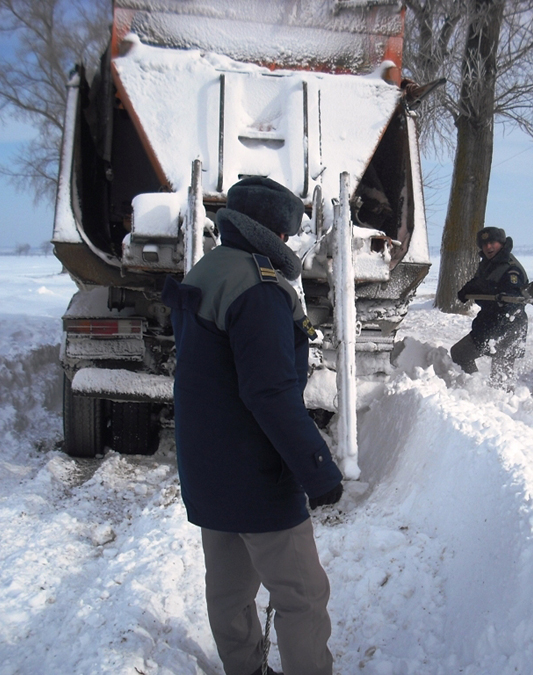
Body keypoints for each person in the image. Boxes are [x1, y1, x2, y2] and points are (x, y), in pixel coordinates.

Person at [162, 176, 343, 675]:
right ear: (272, 232)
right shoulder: (259, 289)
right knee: (302, 594)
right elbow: (269, 395)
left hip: (205, 465)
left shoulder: (207, 269)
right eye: (285, 234)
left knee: (229, 591)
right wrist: (318, 470)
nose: (287, 243)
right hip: (255, 471)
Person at [450, 227, 529, 385]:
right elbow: (479, 282)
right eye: (484, 244)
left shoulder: (511, 269)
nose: (488, 247)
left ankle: (503, 404)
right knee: (460, 353)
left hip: (509, 328)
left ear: (501, 243)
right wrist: (467, 290)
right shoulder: (488, 264)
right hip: (489, 324)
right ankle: (475, 386)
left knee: (500, 378)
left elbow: (513, 303)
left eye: (492, 243)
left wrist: (497, 295)